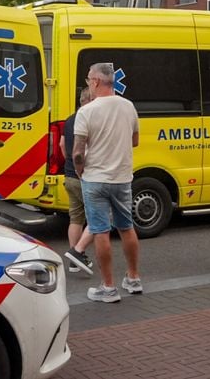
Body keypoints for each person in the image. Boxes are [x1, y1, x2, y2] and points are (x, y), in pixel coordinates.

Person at [73, 62, 142, 303]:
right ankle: (133, 278)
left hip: (95, 178)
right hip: (122, 177)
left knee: (100, 231)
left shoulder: (87, 111)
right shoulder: (128, 106)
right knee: (126, 227)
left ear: (95, 82)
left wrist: (81, 172)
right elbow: (135, 141)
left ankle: (108, 287)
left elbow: (78, 152)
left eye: (88, 80)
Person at [62, 87, 95, 275]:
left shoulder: (69, 119)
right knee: (100, 216)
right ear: (89, 100)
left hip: (68, 175)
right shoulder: (88, 119)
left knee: (75, 218)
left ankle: (74, 259)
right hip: (83, 175)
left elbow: (61, 144)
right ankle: (78, 252)